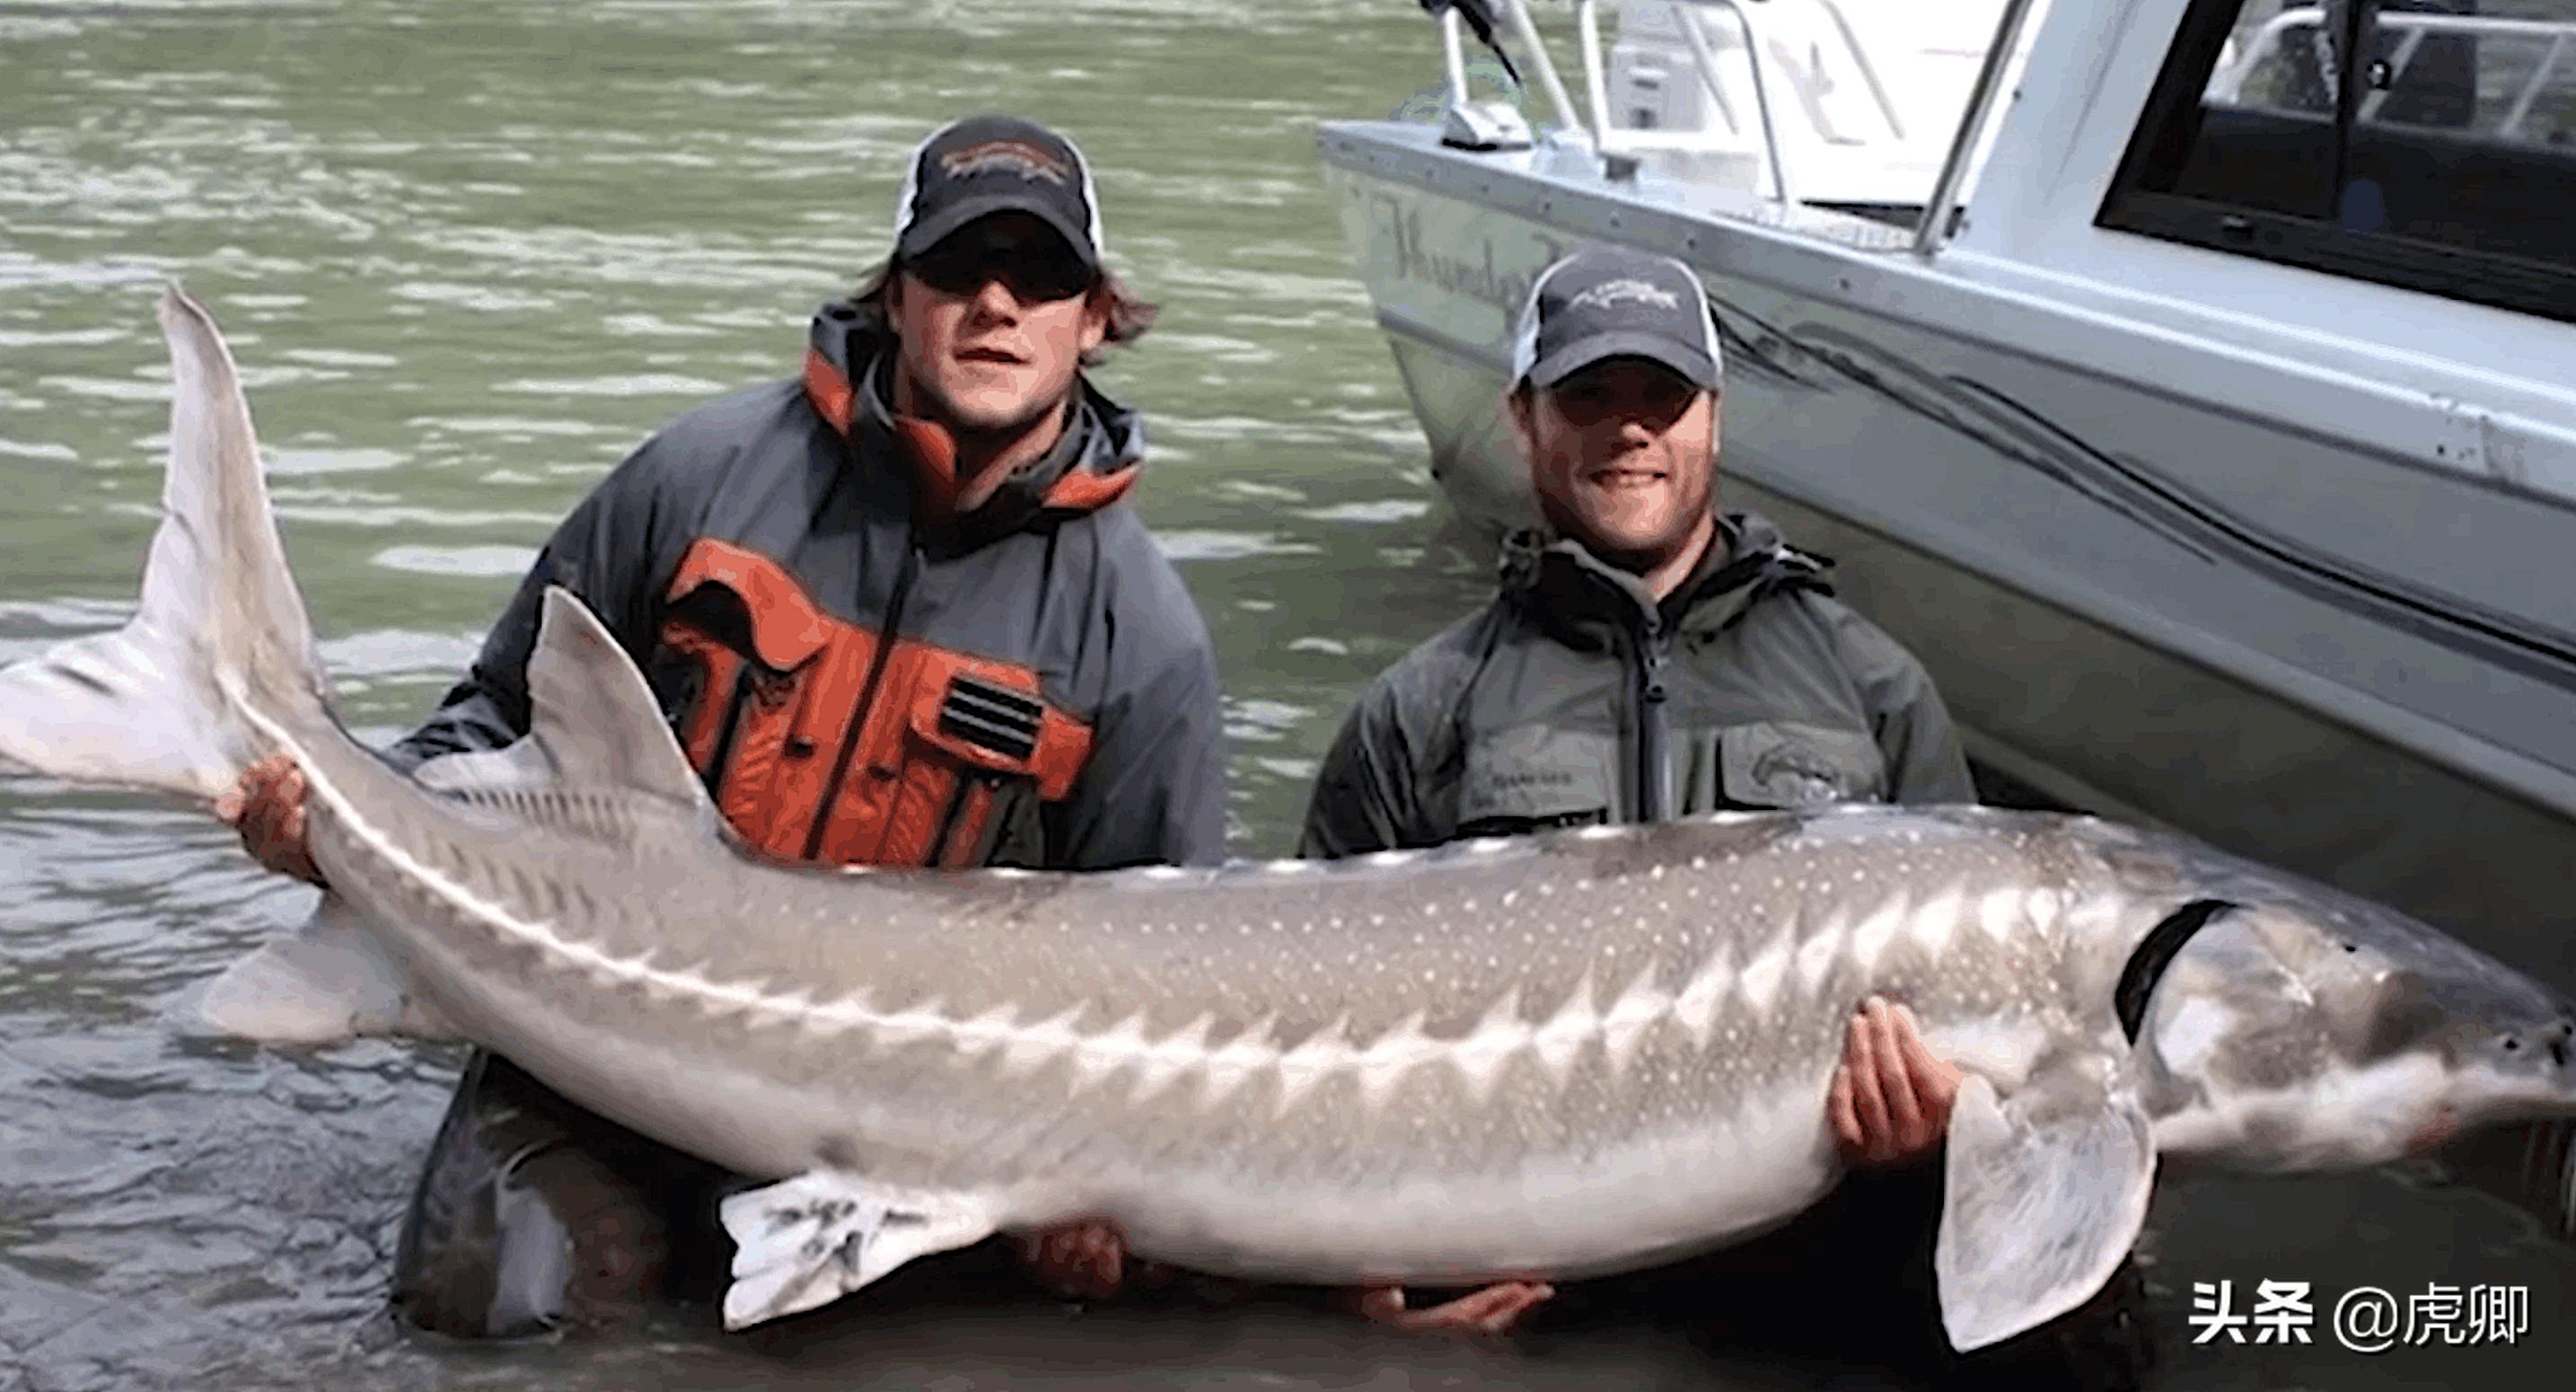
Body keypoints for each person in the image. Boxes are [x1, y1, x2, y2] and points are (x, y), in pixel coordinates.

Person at [213, 113, 1229, 1336]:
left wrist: (1117, 1208)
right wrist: (335, 827)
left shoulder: (1145, 638)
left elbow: (1170, 987)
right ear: (897, 293)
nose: (996, 304)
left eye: (1043, 274)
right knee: (484, 1309)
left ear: (1098, 314)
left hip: (917, 1136)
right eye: (958, 267)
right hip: (608, 1052)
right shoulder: (701, 475)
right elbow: (492, 717)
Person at [1291, 243, 2152, 1371]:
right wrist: (1347, 1281)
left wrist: (1939, 1129)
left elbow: (2006, 1010)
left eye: (1663, 396)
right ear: (1522, 419)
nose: (1630, 429)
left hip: (1813, 1275)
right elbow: (1300, 1033)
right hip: (1532, 1293)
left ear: (1713, 417)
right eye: (1588, 396)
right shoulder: (1422, 707)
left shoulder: (1869, 685)